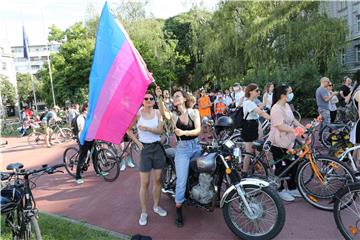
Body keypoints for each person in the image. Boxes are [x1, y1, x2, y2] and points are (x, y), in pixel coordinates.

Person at [156, 86, 202, 228]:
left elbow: (198, 130)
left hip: (196, 147)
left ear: (184, 98)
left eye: (178, 96)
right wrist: (159, 97)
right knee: (181, 180)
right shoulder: (174, 116)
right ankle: (178, 209)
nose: (175, 98)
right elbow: (164, 112)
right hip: (182, 150)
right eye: (174, 96)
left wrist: (183, 133)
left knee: (202, 172)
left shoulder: (194, 112)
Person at [126, 91, 167, 226]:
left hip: (157, 148)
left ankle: (156, 206)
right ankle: (144, 212)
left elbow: (160, 131)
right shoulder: (138, 114)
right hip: (145, 150)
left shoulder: (158, 113)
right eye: (146, 98)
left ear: (154, 101)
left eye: (151, 98)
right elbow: (128, 130)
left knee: (157, 180)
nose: (148, 100)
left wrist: (148, 129)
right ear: (142, 100)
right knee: (145, 183)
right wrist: (138, 143)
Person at [267, 85, 306, 202]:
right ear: (283, 95)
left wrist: (302, 127)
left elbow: (293, 119)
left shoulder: (287, 105)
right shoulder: (276, 108)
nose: (291, 94)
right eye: (290, 92)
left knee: (293, 163)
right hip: (278, 142)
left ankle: (292, 187)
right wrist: (294, 130)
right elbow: (279, 126)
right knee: (281, 167)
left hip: (289, 140)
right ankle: (279, 190)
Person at [75, 103, 108, 184]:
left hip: (91, 138)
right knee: (83, 157)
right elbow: (82, 128)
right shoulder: (81, 117)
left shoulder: (91, 117)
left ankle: (98, 171)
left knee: (95, 155)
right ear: (86, 108)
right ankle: (78, 177)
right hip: (84, 140)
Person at [241, 84, 270, 174]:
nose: (258, 92)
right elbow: (261, 113)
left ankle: (257, 167)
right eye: (257, 91)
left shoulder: (252, 102)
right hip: (249, 128)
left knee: (257, 149)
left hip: (253, 126)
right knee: (248, 152)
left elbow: (260, 108)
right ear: (250, 92)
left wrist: (265, 100)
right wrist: (274, 118)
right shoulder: (248, 103)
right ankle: (245, 172)